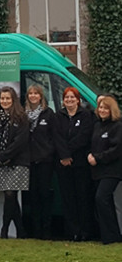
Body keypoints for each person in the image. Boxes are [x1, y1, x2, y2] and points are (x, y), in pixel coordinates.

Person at [55, 87, 94, 242]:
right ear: (63, 100)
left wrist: (68, 153)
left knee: (83, 197)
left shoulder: (85, 115)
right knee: (68, 198)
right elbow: (56, 136)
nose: (69, 100)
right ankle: (73, 231)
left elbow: (84, 137)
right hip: (63, 164)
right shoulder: (59, 115)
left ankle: (86, 231)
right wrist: (64, 155)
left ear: (78, 99)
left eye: (72, 97)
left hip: (80, 164)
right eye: (66, 97)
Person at [0, 86, 29, 238]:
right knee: (9, 195)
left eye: (8, 98)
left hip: (17, 161)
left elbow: (21, 141)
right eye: (2, 98)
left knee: (10, 194)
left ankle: (5, 229)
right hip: (1, 162)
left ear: (13, 100)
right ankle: (21, 230)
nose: (5, 101)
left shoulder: (21, 117)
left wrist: (6, 155)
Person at [88, 96, 122, 244]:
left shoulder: (117, 126)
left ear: (111, 110)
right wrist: (90, 155)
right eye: (100, 107)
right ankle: (108, 236)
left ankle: (112, 236)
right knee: (102, 201)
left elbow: (116, 149)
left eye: (105, 108)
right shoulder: (97, 126)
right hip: (98, 171)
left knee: (101, 198)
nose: (102, 110)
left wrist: (98, 158)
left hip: (112, 170)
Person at [24, 84, 57, 239]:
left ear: (41, 96)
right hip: (28, 161)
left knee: (45, 195)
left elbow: (54, 136)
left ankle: (47, 230)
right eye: (30, 93)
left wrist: (47, 152)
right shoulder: (23, 114)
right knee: (33, 196)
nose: (33, 96)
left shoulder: (48, 114)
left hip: (45, 161)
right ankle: (36, 231)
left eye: (36, 93)